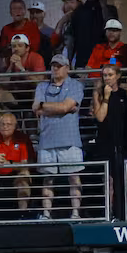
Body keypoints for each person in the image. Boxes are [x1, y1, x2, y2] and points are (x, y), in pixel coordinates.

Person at [33, 55, 84, 219]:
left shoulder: (75, 85)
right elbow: (36, 108)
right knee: (47, 179)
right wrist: (59, 108)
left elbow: (65, 107)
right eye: (53, 65)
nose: (55, 68)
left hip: (70, 140)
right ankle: (46, 213)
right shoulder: (42, 86)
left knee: (74, 178)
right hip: (47, 140)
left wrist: (46, 106)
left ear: (67, 68)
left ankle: (76, 213)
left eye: (59, 66)